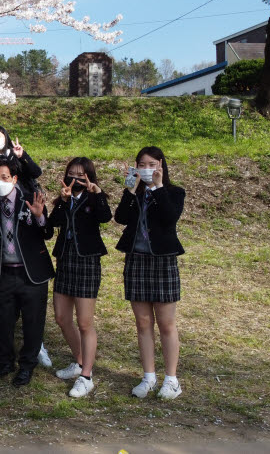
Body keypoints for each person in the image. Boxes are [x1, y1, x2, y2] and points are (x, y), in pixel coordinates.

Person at [115, 146, 186, 400]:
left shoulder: (174, 192)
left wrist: (157, 188)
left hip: (163, 262)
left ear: (161, 165)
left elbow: (169, 218)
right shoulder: (135, 192)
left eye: (151, 164)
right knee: (143, 323)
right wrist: (131, 188)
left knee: (166, 324)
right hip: (136, 260)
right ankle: (148, 377)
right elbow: (120, 217)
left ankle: (171, 380)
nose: (146, 169)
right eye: (141, 164)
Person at [0, 158, 53, 388]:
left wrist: (40, 216)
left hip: (32, 274)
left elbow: (47, 232)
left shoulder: (31, 199)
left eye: (5, 178)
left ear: (15, 179)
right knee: (4, 321)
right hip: (6, 272)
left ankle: (27, 365)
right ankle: (5, 362)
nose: (0, 182)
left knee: (33, 322)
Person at [48, 158, 112, 398]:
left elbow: (105, 217)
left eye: (81, 175)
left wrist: (97, 193)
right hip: (65, 260)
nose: (76, 179)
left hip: (87, 261)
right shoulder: (65, 198)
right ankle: (79, 361)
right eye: (71, 174)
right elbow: (54, 222)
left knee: (85, 322)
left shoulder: (94, 197)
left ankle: (86, 375)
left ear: (90, 177)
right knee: (62, 317)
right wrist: (64, 201)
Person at [0, 126, 42, 195]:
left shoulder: (16, 154)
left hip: (25, 195)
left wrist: (22, 156)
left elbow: (36, 173)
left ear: (5, 137)